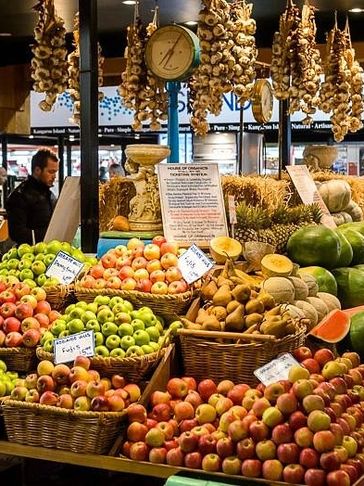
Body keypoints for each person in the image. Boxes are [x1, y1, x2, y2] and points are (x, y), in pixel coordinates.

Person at [5, 148, 59, 245]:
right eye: (51, 172)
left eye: (55, 172)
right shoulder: (19, 196)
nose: (54, 176)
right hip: (28, 255)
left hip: (49, 250)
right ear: (37, 170)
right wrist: (47, 235)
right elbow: (16, 233)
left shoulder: (49, 194)